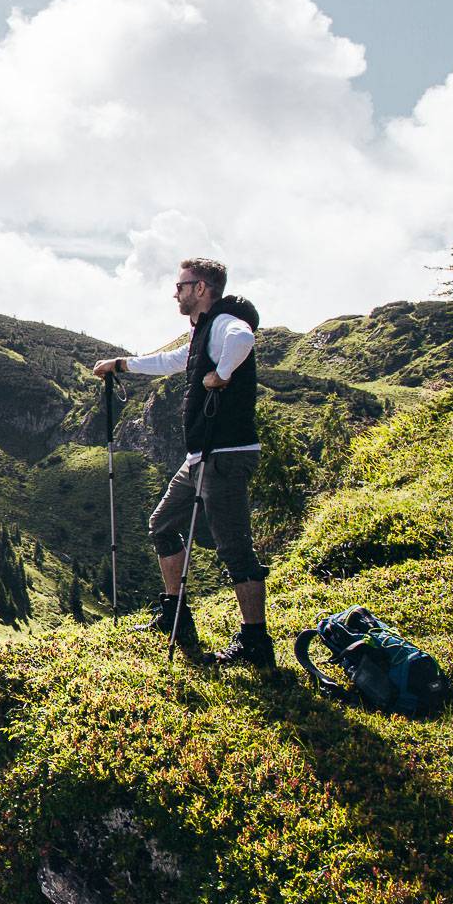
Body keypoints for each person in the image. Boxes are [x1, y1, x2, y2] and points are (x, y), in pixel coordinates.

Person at [91, 258, 273, 668]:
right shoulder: (203, 332)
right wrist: (120, 365)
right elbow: (172, 361)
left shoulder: (226, 322)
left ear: (202, 288)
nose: (175, 292)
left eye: (181, 285)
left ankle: (256, 645)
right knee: (162, 524)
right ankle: (176, 617)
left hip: (224, 455)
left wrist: (222, 374)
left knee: (235, 549)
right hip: (201, 457)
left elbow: (243, 339)